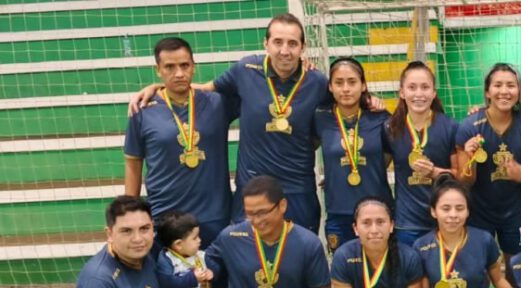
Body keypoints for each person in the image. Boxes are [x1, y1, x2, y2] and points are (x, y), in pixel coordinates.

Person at [130, 14, 331, 234]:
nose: (285, 50)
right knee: (247, 261)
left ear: (303, 47)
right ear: (266, 44)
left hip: (297, 190)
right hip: (251, 190)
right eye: (278, 42)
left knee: (299, 258)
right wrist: (159, 88)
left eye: (293, 43)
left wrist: (370, 100)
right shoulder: (245, 69)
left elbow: (338, 118)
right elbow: (205, 88)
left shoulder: (318, 82)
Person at [123, 37, 235, 247]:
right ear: (158, 69)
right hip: (165, 219)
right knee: (169, 279)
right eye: (169, 67)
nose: (179, 74)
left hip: (214, 217)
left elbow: (256, 88)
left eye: (185, 65)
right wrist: (130, 215)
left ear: (194, 66)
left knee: (214, 278)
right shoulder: (142, 109)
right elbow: (133, 163)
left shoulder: (217, 103)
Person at [456, 63, 521, 256]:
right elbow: (464, 182)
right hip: (478, 212)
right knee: (478, 271)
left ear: (519, 91)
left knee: (518, 270)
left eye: (511, 85)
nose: (504, 91)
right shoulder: (469, 126)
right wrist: (471, 160)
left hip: (516, 213)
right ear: (487, 92)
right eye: (497, 85)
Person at [315, 58, 393, 252]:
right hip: (339, 211)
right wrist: (335, 173)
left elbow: (391, 153)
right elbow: (306, 146)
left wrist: (369, 169)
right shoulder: (320, 117)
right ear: (330, 87)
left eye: (352, 82)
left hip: (377, 210)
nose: (346, 89)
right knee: (345, 271)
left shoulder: (381, 117)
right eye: (339, 83)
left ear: (363, 85)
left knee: (380, 273)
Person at [388, 61, 460, 247]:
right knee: (411, 275)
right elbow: (376, 165)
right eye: (412, 87)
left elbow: (462, 176)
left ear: (434, 92)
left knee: (444, 274)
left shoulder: (450, 126)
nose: (418, 94)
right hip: (406, 223)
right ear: (402, 92)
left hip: (443, 220)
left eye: (425, 87)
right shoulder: (390, 128)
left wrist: (436, 172)